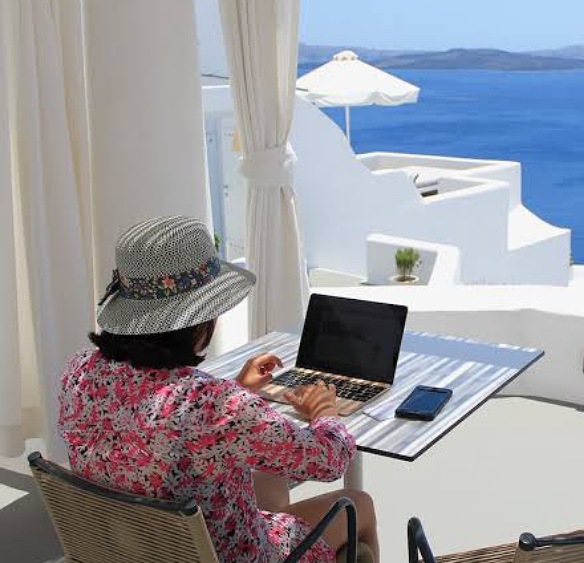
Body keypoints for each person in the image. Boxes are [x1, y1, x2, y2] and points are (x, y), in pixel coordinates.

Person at [57, 216, 378, 563]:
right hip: (230, 553)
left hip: (137, 547)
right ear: (199, 320)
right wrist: (324, 413)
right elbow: (329, 460)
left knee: (267, 474)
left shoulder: (80, 372)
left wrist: (240, 391)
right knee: (359, 505)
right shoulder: (214, 406)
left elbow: (167, 432)